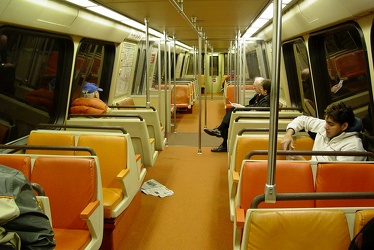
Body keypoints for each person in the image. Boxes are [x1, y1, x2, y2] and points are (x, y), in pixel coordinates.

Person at [281, 101, 366, 161]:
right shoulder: (325, 126)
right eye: (326, 121)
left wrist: (304, 163)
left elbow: (337, 177)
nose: (325, 127)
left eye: (331, 124)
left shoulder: (352, 147)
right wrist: (288, 134)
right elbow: (302, 120)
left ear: (344, 126)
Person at [204, 78, 271, 152]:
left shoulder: (266, 99)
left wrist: (243, 107)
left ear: (265, 91)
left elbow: (258, 110)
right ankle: (221, 136)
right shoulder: (261, 96)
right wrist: (242, 107)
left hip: (256, 119)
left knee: (232, 113)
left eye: (261, 88)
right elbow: (254, 106)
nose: (253, 87)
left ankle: (220, 132)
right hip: (254, 115)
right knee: (231, 115)